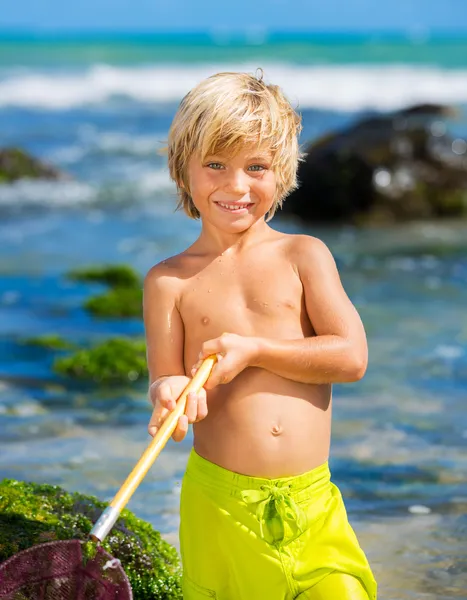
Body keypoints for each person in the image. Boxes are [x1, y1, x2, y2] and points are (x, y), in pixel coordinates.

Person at [143, 71, 377, 600]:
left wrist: (254, 351)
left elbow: (352, 356)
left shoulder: (304, 256)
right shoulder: (168, 281)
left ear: (282, 172)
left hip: (312, 502)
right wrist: (168, 395)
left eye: (256, 167)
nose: (237, 186)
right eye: (216, 165)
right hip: (219, 503)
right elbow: (166, 377)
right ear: (184, 170)